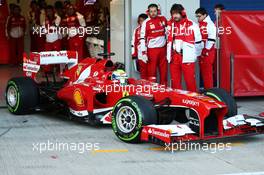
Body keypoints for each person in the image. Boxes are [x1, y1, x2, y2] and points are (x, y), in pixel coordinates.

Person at [167, 4, 202, 92]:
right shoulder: (169, 25)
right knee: (175, 82)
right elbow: (168, 41)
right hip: (174, 56)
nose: (174, 16)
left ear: (182, 13)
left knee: (190, 81)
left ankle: (194, 103)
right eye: (173, 14)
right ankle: (177, 103)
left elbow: (199, 42)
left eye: (177, 13)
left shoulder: (192, 25)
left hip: (187, 57)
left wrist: (194, 56)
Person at [139, 3, 167, 85]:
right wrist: (143, 52)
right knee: (152, 71)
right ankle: (152, 91)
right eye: (151, 11)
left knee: (164, 71)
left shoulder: (163, 19)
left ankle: (164, 89)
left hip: (163, 49)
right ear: (148, 12)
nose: (153, 13)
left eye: (155, 11)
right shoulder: (146, 22)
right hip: (152, 50)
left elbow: (168, 30)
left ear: (157, 11)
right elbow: (142, 38)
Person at [195, 7, 217, 89]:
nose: (198, 18)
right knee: (204, 73)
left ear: (205, 15)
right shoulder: (200, 24)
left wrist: (206, 50)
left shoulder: (210, 24)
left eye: (199, 16)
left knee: (207, 73)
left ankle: (210, 92)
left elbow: (212, 39)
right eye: (196, 16)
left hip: (208, 52)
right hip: (202, 51)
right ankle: (207, 90)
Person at [132, 13, 148, 79]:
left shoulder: (150, 28)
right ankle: (144, 87)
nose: (142, 22)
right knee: (143, 72)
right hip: (140, 53)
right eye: (141, 20)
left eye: (144, 20)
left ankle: (152, 87)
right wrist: (134, 54)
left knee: (151, 72)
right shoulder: (136, 30)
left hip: (150, 53)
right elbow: (134, 42)